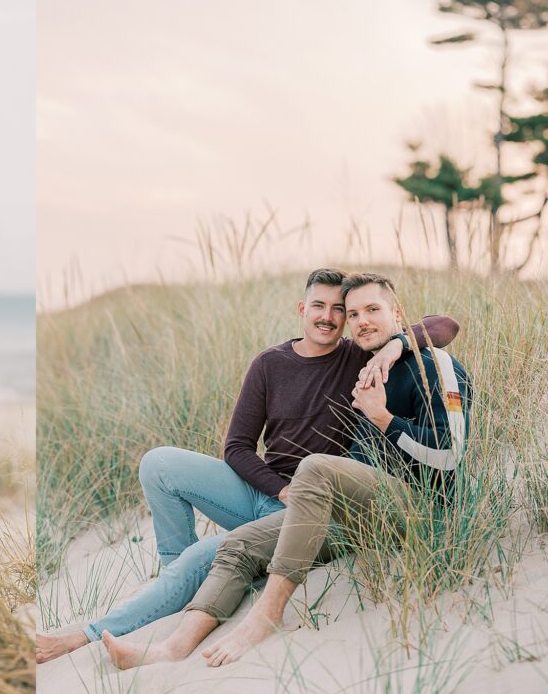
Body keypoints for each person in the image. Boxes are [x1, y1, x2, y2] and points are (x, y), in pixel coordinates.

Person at [37, 268, 459, 664]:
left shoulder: (360, 356)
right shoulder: (270, 364)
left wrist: (395, 345)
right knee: (158, 464)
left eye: (340, 311)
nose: (331, 318)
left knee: (207, 554)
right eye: (322, 307)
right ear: (302, 309)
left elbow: (443, 326)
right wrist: (278, 488)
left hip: (311, 502)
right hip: (267, 491)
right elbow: (237, 448)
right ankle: (175, 577)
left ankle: (85, 634)